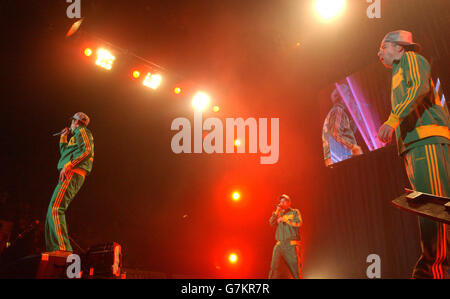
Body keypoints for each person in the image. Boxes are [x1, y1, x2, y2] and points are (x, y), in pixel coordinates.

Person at [377, 30, 450, 279]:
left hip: (425, 140)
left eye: (383, 46)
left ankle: (434, 271)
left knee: (433, 208)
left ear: (399, 47)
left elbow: (418, 86)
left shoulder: (410, 59)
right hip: (415, 145)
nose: (379, 52)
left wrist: (393, 119)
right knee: (430, 207)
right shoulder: (397, 72)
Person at [44, 112, 94, 255]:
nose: (71, 125)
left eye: (72, 122)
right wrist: (63, 137)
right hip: (70, 171)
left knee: (56, 208)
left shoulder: (82, 131)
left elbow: (87, 150)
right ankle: (55, 248)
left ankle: (61, 248)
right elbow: (65, 153)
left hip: (74, 172)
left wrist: (69, 165)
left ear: (76, 122)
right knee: (51, 210)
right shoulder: (75, 136)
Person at [322, 84, 363, 166]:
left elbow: (346, 132)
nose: (349, 97)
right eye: (347, 94)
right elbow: (336, 134)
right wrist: (354, 148)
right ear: (342, 97)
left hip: (337, 159)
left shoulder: (336, 112)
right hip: (340, 159)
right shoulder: (337, 111)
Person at [268, 194, 303, 279]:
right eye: (280, 201)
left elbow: (299, 223)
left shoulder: (295, 212)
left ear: (289, 202)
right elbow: (271, 223)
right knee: (274, 267)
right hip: (279, 244)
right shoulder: (279, 213)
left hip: (291, 244)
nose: (281, 203)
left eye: (284, 201)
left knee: (295, 269)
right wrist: (276, 211)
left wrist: (285, 220)